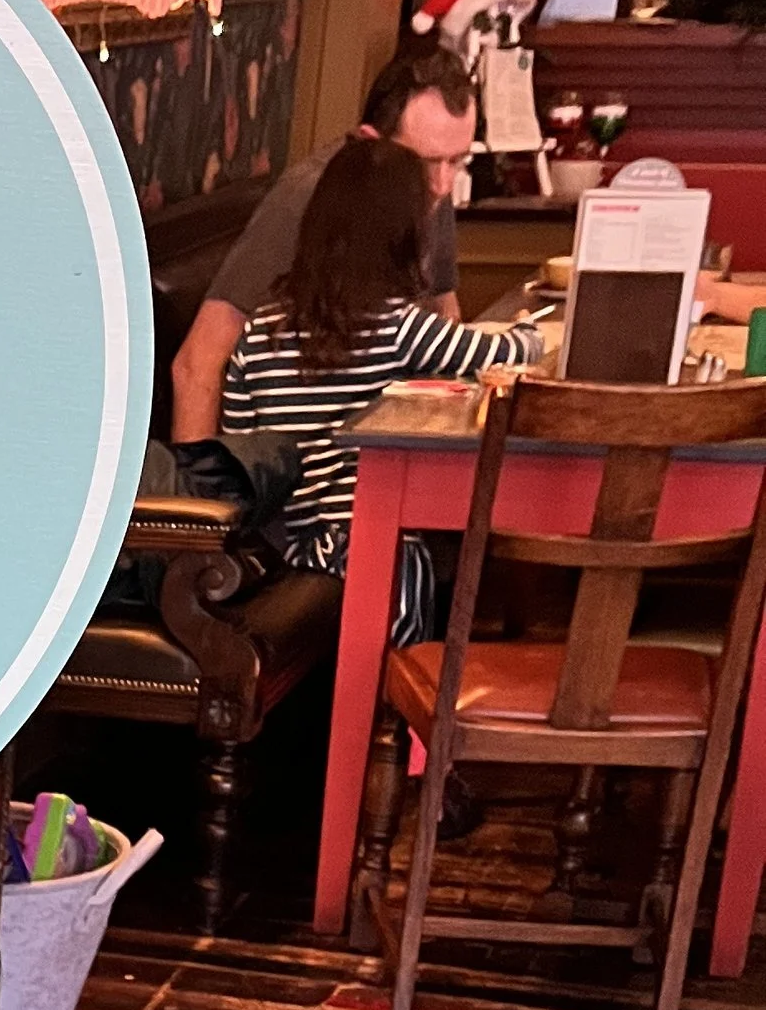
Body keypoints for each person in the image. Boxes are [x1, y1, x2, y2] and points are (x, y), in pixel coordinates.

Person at [219, 136, 541, 642]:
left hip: (281, 544)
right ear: (403, 236)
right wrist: (529, 328)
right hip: (363, 540)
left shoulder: (259, 331)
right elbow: (501, 354)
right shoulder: (395, 325)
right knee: (411, 553)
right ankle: (400, 678)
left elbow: (240, 449)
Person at [168, 49, 477, 443]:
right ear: (369, 142)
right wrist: (202, 482)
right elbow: (195, 366)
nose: (443, 185)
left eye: (457, 161)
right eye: (426, 163)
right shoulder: (309, 199)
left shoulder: (430, 185)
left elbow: (443, 310)